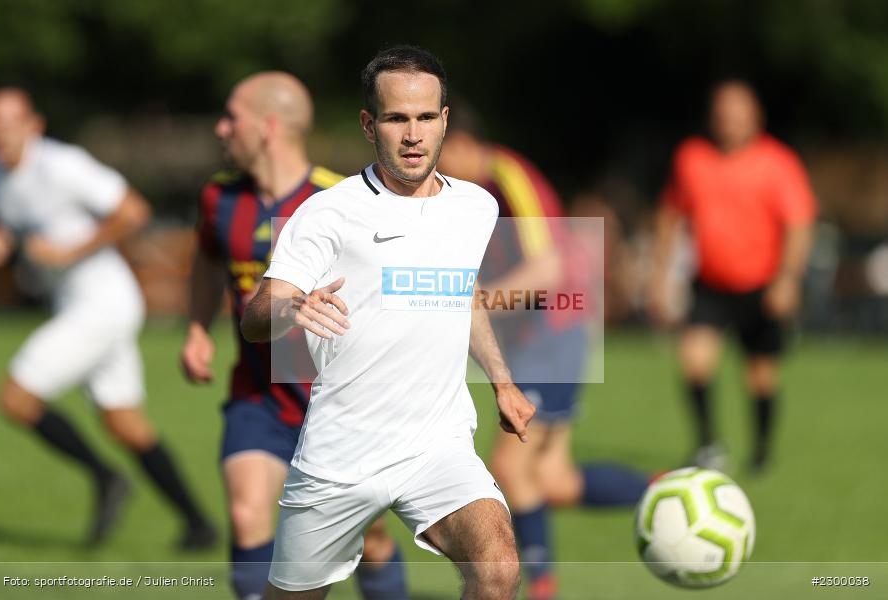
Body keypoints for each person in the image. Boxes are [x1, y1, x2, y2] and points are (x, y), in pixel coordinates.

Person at [240, 46, 536, 600]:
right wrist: (291, 307)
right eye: (397, 118)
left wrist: (502, 381)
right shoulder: (328, 212)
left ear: (444, 120)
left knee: (498, 570)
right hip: (341, 452)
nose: (413, 135)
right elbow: (256, 318)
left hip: (437, 445)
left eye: (425, 117)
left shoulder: (475, 207)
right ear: (368, 124)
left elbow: (463, 293)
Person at [180, 72, 409, 600]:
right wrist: (197, 327)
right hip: (258, 396)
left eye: (231, 117)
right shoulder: (219, 197)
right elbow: (208, 259)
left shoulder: (343, 197)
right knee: (247, 515)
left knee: (370, 539)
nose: (220, 128)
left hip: (337, 403)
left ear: (267, 127)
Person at [0, 87, 216, 548]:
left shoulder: (62, 164)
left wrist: (70, 252)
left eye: (9, 121)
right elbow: (21, 231)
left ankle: (105, 477)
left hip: (103, 302)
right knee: (124, 423)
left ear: (34, 125)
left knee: (16, 398)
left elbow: (133, 210)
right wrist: (3, 243)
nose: (0, 131)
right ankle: (199, 525)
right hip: (75, 304)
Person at [439, 115, 650, 600]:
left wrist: (475, 304)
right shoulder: (458, 190)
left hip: (553, 330)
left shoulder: (509, 179)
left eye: (438, 146)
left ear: (464, 142)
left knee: (511, 468)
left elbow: (547, 270)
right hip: (533, 338)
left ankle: (541, 589)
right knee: (553, 480)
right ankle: (667, 487)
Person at [649, 80, 816, 472]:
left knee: (760, 376)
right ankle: (708, 444)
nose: (730, 120)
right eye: (723, 112)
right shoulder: (692, 157)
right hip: (710, 284)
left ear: (756, 116)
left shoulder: (778, 162)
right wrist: (661, 274)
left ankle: (760, 452)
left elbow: (799, 224)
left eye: (738, 112)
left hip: (762, 284)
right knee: (694, 361)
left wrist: (788, 279)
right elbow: (670, 214)